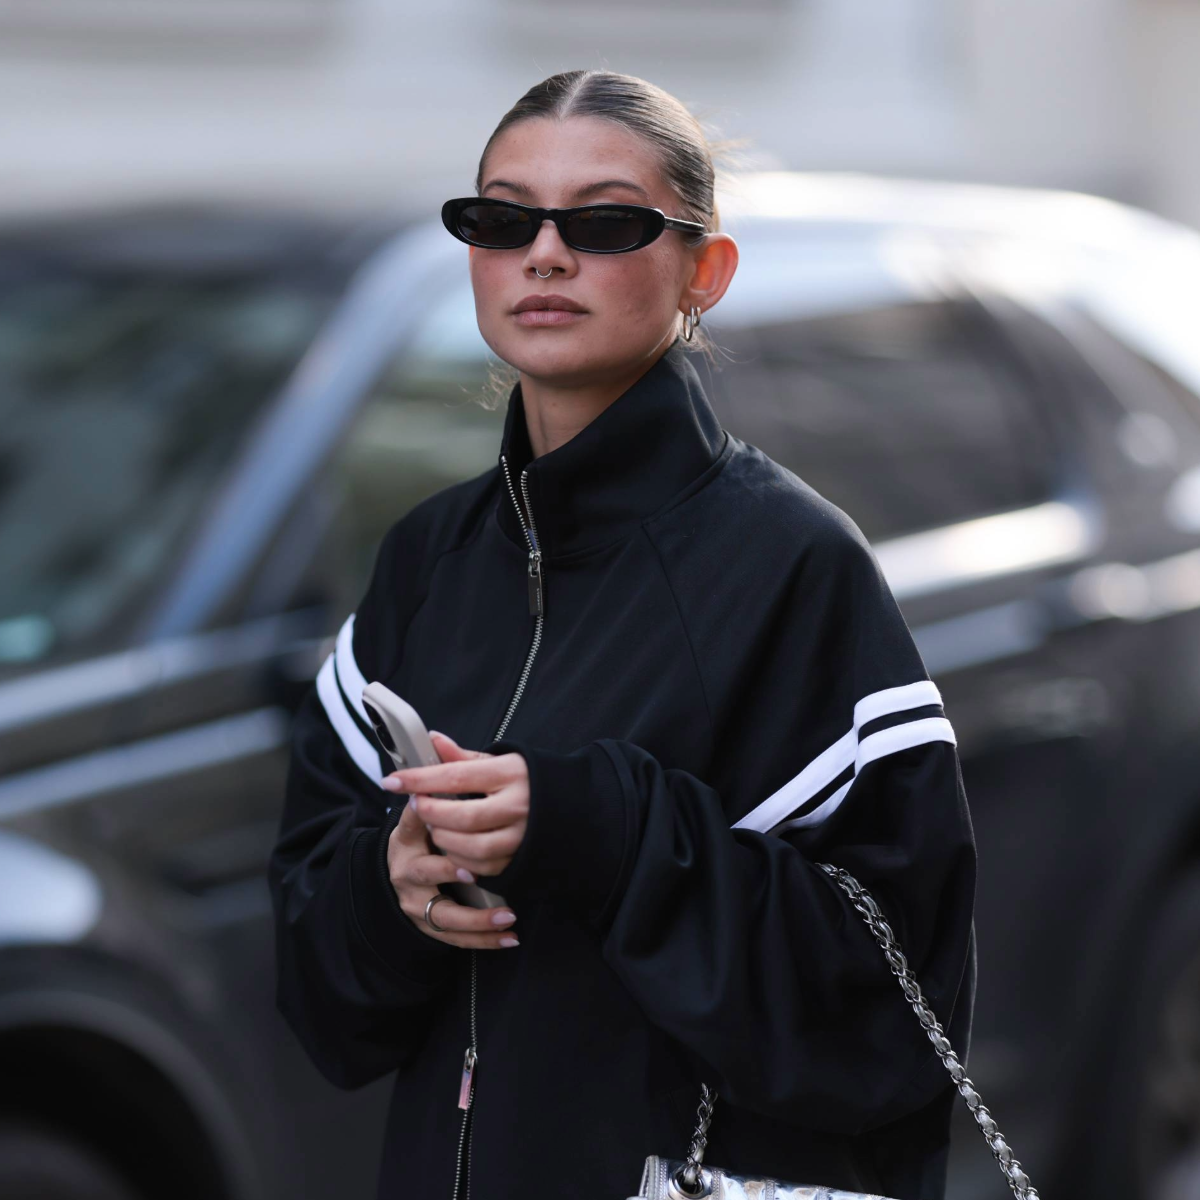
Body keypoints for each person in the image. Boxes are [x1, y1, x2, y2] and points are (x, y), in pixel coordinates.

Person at [267, 68, 977, 1200]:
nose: (543, 254)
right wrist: (388, 884)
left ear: (705, 272)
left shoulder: (791, 563)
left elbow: (887, 1009)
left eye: (601, 222)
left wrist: (600, 823)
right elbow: (321, 1002)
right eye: (503, 218)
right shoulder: (424, 562)